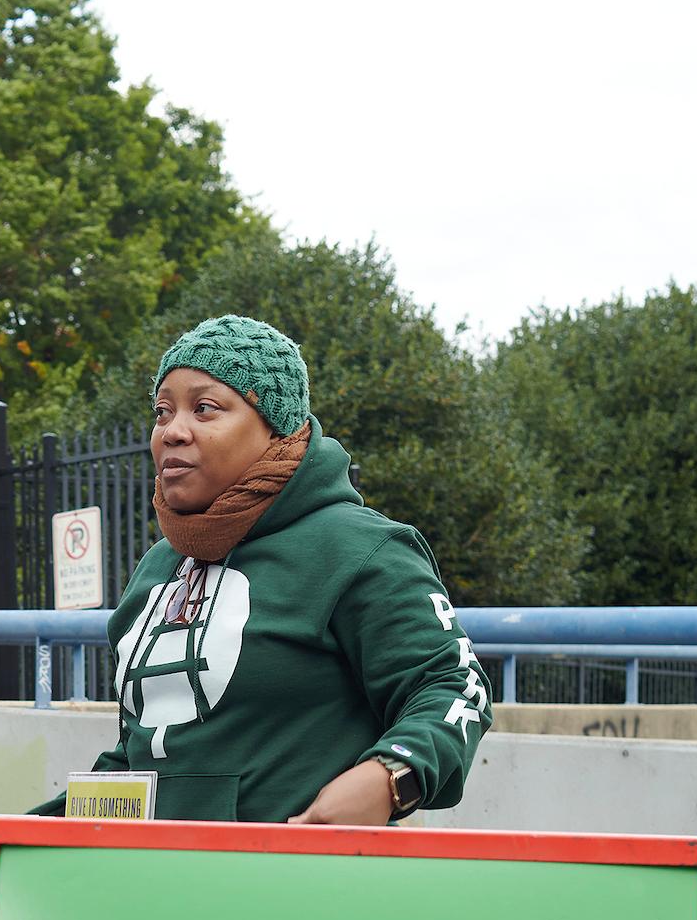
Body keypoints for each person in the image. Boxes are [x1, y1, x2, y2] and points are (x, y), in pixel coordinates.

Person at [66, 315, 491, 823]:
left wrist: (391, 778)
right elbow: (138, 756)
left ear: (275, 426)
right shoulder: (159, 567)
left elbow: (452, 686)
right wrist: (23, 836)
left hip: (299, 885)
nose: (172, 432)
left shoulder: (361, 548)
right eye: (162, 412)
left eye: (205, 408)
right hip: (146, 883)